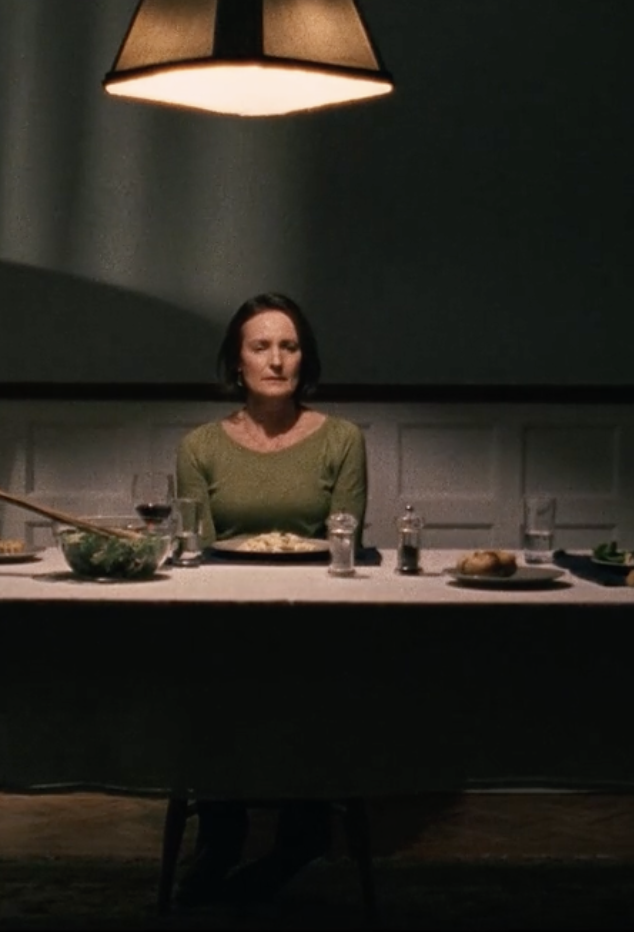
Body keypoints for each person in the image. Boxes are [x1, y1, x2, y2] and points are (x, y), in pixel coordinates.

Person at [172, 292, 368, 907]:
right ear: (238, 361)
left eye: (289, 346)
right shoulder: (200, 446)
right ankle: (221, 833)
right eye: (261, 347)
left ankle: (301, 833)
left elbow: (344, 542)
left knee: (311, 673)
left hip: (315, 618)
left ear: (304, 359)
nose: (277, 360)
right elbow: (197, 553)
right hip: (225, 615)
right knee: (207, 670)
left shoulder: (342, 439)